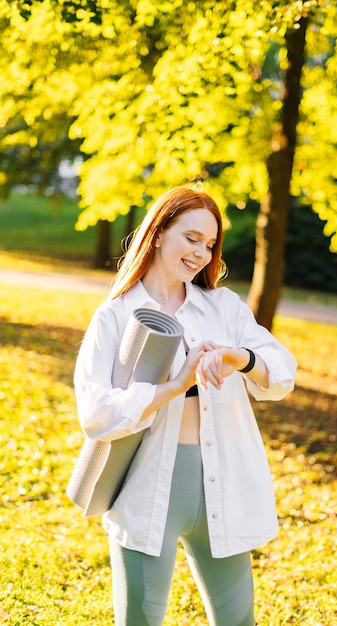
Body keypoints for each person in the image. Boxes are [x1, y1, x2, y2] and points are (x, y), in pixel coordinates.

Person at [73, 185, 297, 626]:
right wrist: (177, 383)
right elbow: (95, 414)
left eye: (210, 244)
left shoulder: (223, 308)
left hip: (222, 486)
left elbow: (283, 373)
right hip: (145, 488)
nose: (200, 253)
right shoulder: (116, 315)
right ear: (158, 233)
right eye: (191, 238)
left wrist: (240, 359)